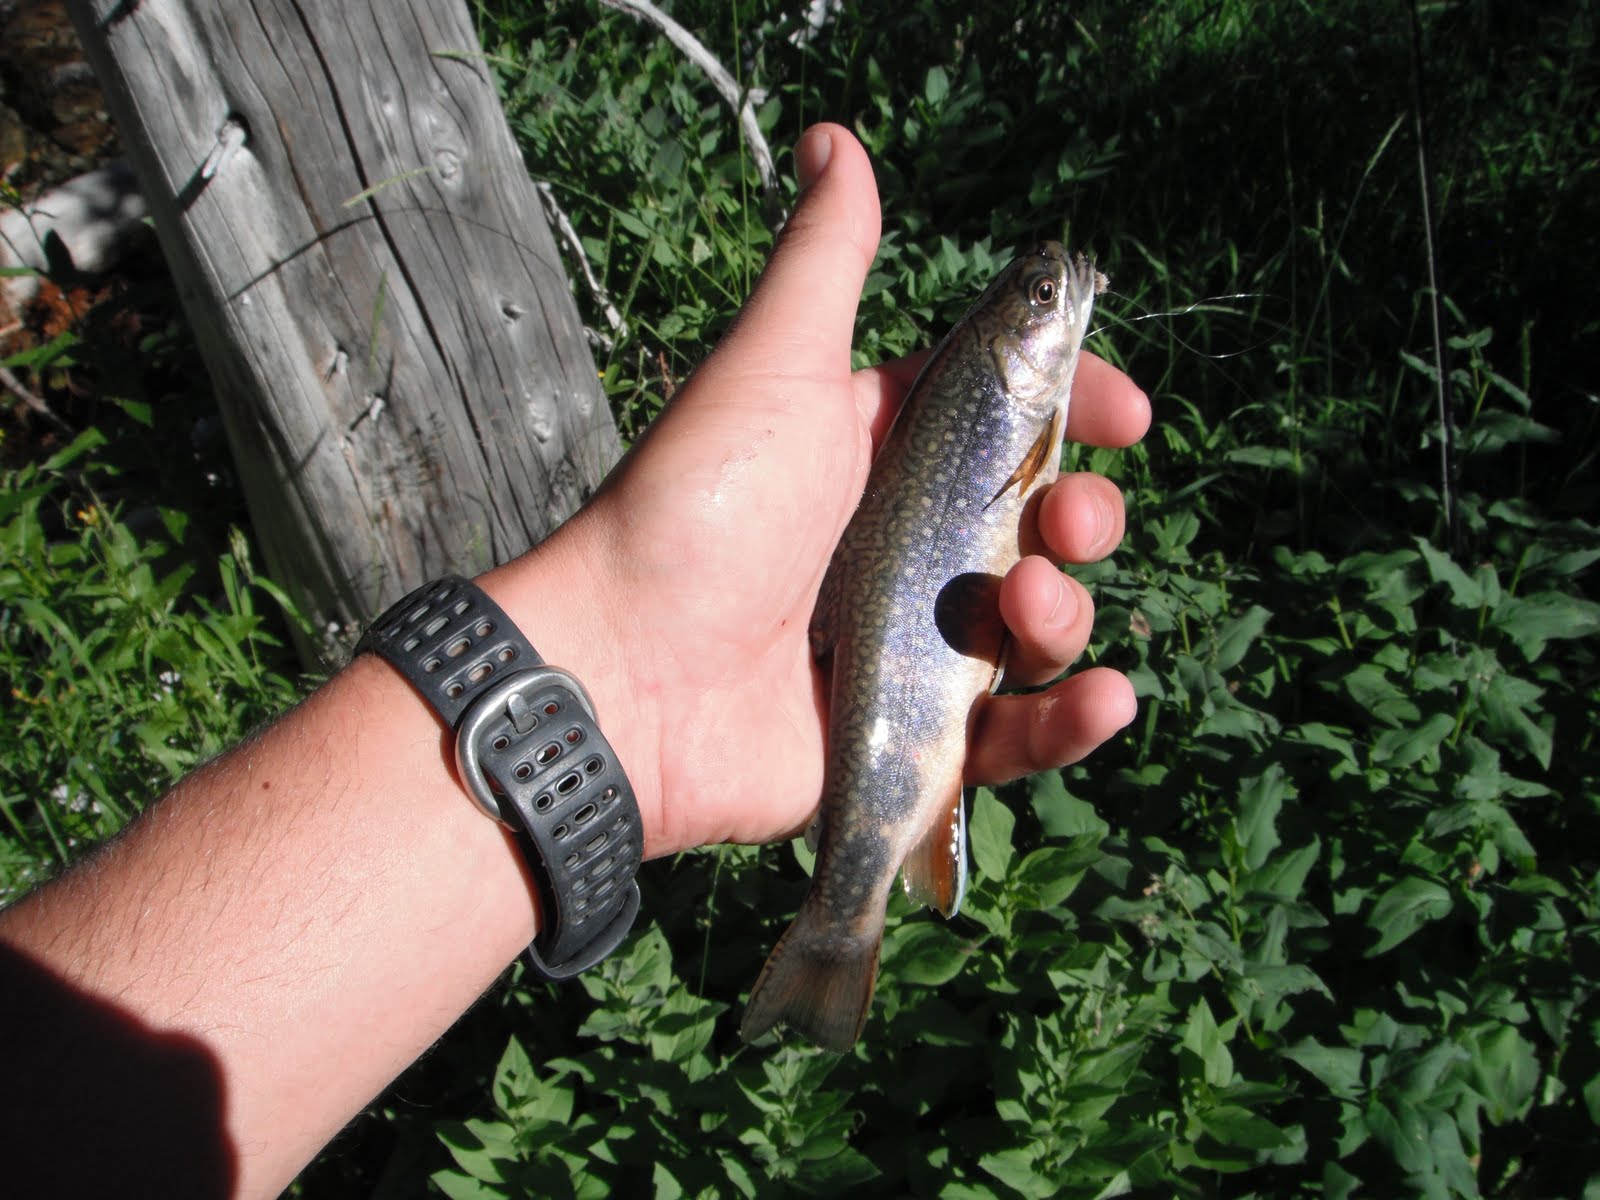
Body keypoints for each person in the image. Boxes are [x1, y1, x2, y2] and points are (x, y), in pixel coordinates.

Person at [0, 124, 1150, 1198]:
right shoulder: (992, 400)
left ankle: (845, 909)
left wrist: (621, 668)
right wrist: (627, 649)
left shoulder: (997, 398)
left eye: (1041, 296)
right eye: (1040, 300)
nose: (1054, 298)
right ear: (1008, 349)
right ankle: (841, 922)